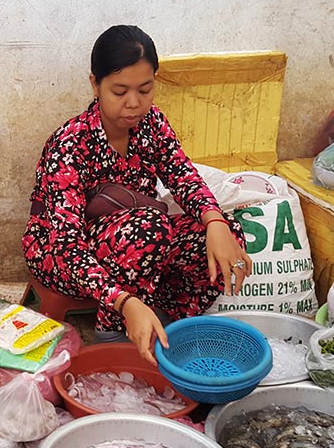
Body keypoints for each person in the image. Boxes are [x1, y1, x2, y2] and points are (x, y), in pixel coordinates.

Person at [22, 24, 251, 365]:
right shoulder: (70, 145)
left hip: (136, 244)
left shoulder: (152, 123)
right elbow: (66, 246)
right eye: (119, 91)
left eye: (145, 89)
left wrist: (214, 221)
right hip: (61, 256)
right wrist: (124, 302)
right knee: (149, 228)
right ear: (95, 85)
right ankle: (113, 331)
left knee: (226, 234)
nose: (134, 103)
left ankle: (168, 322)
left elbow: (183, 176)